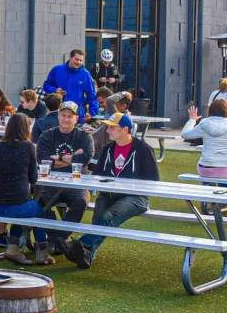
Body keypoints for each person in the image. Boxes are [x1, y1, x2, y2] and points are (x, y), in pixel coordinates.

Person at [67, 113, 162, 269]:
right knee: (99, 220)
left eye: (112, 127)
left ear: (125, 129)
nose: (108, 130)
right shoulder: (109, 148)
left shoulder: (143, 148)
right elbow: (97, 174)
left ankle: (79, 244)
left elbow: (153, 180)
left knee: (107, 217)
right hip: (108, 194)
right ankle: (86, 256)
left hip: (136, 197)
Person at [0, 112, 48, 266]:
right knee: (39, 210)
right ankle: (42, 251)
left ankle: (14, 248)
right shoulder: (27, 147)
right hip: (18, 205)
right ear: (27, 128)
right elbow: (33, 179)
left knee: (23, 209)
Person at [34, 104, 92, 254]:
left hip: (77, 182)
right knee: (40, 202)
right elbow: (42, 160)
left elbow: (85, 159)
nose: (66, 119)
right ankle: (59, 240)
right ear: (58, 116)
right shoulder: (47, 135)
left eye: (70, 116)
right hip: (51, 181)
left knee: (81, 201)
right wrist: (72, 159)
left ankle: (55, 239)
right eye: (63, 115)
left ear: (76, 118)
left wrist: (57, 158)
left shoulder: (84, 136)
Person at [182, 101, 227, 181]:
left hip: (206, 168)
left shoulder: (204, 124)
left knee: (202, 163)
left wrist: (192, 120)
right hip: (226, 168)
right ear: (226, 110)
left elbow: (185, 134)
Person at [41, 48, 100, 120]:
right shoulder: (57, 70)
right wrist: (55, 90)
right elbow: (46, 85)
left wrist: (91, 112)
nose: (78, 62)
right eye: (76, 59)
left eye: (80, 60)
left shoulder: (85, 74)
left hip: (76, 114)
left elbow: (92, 94)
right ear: (70, 57)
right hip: (58, 113)